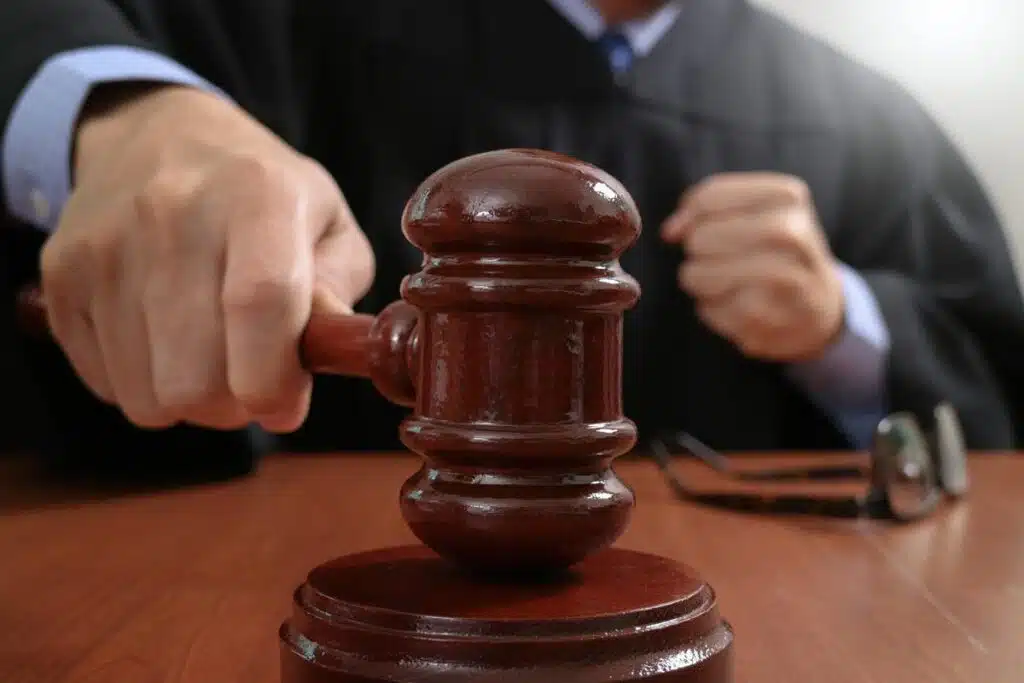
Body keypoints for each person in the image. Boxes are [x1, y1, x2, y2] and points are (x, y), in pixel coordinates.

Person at [1, 0, 1022, 483]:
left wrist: (842, 324)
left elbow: (995, 385)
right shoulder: (305, 25)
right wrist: (125, 113)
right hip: (327, 605)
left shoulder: (858, 113)